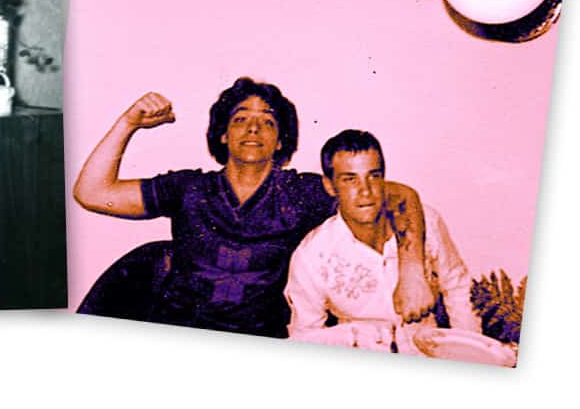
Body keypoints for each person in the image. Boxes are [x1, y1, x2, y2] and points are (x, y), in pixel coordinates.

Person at [73, 78, 435, 337]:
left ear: (280, 141)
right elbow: (91, 192)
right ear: (223, 134)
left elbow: (399, 194)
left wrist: (413, 269)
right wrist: (129, 123)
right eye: (241, 118)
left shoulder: (301, 192)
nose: (253, 128)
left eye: (268, 121)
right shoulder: (188, 188)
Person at [285, 130, 481, 353]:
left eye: (374, 176)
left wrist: (471, 350)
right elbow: (305, 337)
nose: (365, 191)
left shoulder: (426, 222)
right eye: (350, 179)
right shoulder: (312, 256)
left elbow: (458, 288)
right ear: (330, 186)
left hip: (431, 353)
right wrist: (360, 335)